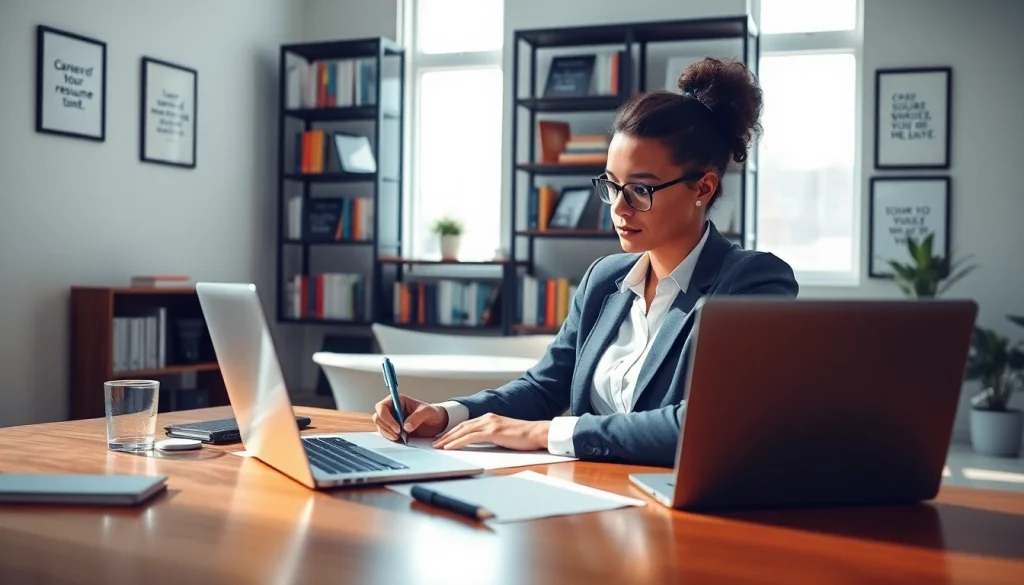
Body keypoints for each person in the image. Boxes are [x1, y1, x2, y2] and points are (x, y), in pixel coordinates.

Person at [373, 57, 799, 467]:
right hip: (584, 495)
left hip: (678, 513)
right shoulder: (605, 279)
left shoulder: (752, 282)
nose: (618, 208)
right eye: (611, 186)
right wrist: (448, 414)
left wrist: (548, 434)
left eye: (640, 190)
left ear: (702, 188)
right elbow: (543, 388)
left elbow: (709, 425)